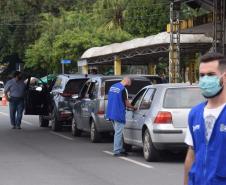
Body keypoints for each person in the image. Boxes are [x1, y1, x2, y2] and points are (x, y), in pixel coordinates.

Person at [184, 52, 226, 185]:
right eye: (202, 75)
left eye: (211, 75)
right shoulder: (194, 113)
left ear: (224, 78)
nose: (205, 79)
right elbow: (191, 154)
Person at [106, 77, 135, 157]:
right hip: (118, 113)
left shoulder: (113, 86)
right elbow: (127, 104)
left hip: (111, 112)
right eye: (130, 82)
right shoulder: (123, 89)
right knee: (118, 133)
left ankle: (121, 149)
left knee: (118, 132)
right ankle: (117, 151)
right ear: (127, 81)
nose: (130, 84)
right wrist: (134, 107)